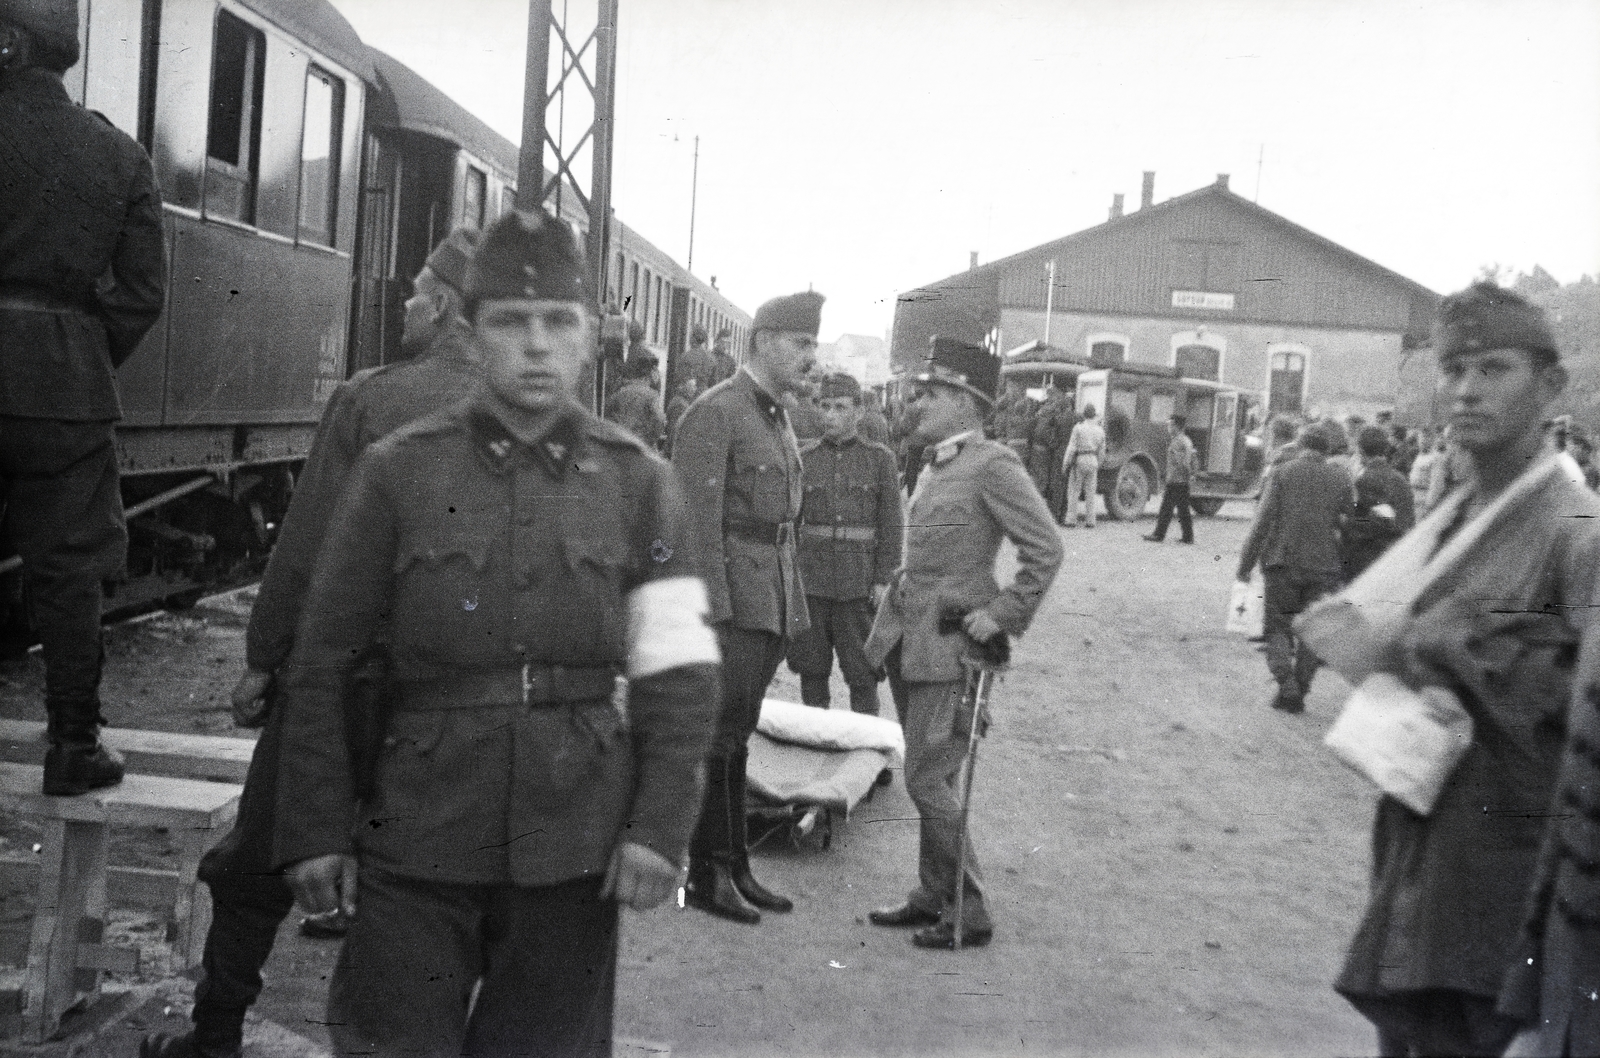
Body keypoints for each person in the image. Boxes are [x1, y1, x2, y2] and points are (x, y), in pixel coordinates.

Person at [270, 210, 720, 1058]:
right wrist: (315, 827)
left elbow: (680, 673)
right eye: (511, 324)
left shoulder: (640, 484)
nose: (538, 346)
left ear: (594, 341)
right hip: (417, 830)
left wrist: (661, 827)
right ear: (473, 337)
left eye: (561, 322)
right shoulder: (398, 471)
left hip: (576, 838)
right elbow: (325, 658)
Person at [138, 230, 488, 1058]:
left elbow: (308, 547)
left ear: (441, 307)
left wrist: (265, 657)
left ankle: (214, 1036)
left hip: (345, 686)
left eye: (415, 289)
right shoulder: (529, 415)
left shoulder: (370, 399)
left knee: (257, 861)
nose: (404, 302)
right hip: (456, 707)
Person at [1307, 281, 1600, 1057]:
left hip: (1510, 923)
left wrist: (1557, 999)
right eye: (1454, 368)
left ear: (1550, 386)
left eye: (1494, 368)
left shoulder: (1577, 532)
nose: (1466, 390)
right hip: (1422, 875)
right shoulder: (1462, 515)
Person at [0, 0, 166, 795]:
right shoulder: (120, 156)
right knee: (68, 571)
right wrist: (79, 351)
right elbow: (140, 293)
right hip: (64, 388)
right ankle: (72, 747)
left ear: (10, 43)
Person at [863, 338, 1062, 949]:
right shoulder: (938, 463)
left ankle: (968, 908)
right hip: (913, 635)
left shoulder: (994, 464)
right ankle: (933, 893)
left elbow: (1046, 549)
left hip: (954, 642)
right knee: (929, 771)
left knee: (929, 777)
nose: (918, 402)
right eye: (920, 392)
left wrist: (1002, 613)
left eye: (931, 393)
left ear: (967, 403)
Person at [672, 290, 821, 925]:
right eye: (799, 343)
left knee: (736, 737)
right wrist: (712, 611)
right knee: (716, 736)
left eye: (812, 344)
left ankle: (735, 865)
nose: (809, 357)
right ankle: (706, 875)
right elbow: (694, 524)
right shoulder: (717, 412)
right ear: (760, 341)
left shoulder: (775, 415)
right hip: (732, 602)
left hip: (769, 598)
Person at [784, 372, 903, 715]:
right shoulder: (804, 458)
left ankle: (865, 758)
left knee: (863, 673)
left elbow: (891, 527)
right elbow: (791, 524)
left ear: (858, 412)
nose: (830, 415)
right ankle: (815, 749)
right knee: (811, 671)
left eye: (840, 407)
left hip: (858, 585)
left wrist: (883, 580)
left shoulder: (879, 459)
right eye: (825, 406)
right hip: (812, 585)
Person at [1235, 423, 1352, 713]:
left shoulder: (1282, 473)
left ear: (1301, 445)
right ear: (1327, 450)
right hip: (1324, 567)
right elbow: (1349, 525)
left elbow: (1261, 523)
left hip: (1282, 563)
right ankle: (1301, 688)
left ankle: (1287, 688)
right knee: (1312, 632)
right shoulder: (1341, 477)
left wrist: (1245, 564)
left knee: (1277, 627)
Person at [1342, 424, 1416, 581]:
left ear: (1361, 451)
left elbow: (1361, 526)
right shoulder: (1401, 479)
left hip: (1370, 561)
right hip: (1398, 558)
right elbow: (1409, 521)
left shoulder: (1365, 480)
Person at [1144, 414, 1198, 544]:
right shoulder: (1186, 440)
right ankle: (1188, 537)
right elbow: (1192, 460)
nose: (1168, 427)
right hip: (1182, 481)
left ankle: (1159, 534)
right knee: (1183, 510)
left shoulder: (1177, 442)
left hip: (1175, 480)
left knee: (1166, 509)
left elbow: (1182, 462)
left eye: (1170, 425)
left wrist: (1186, 474)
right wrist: (1191, 475)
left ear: (1176, 426)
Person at [1028, 378, 1076, 519]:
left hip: (1045, 452)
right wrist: (1053, 444)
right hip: (1050, 452)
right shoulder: (1063, 415)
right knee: (1052, 483)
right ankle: (1053, 513)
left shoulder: (1044, 415)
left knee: (1048, 482)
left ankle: (1046, 511)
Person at [604, 349, 666, 449]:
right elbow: (659, 420)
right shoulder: (651, 395)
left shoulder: (621, 391)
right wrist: (650, 440)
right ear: (651, 373)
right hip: (641, 446)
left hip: (621, 444)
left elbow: (607, 414)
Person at [1061, 403, 1106, 528]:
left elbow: (1071, 448)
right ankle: (1091, 520)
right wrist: (1098, 464)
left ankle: (1071, 520)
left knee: (1074, 491)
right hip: (1093, 460)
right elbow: (1102, 451)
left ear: (1084, 415)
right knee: (1090, 492)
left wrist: (1066, 464)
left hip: (1080, 459)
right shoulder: (1100, 430)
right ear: (1094, 415)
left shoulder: (1078, 428)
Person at [664, 375, 698, 453]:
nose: (694, 389)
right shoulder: (680, 405)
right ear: (683, 387)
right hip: (674, 449)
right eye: (692, 386)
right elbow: (675, 430)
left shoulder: (680, 401)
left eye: (694, 386)